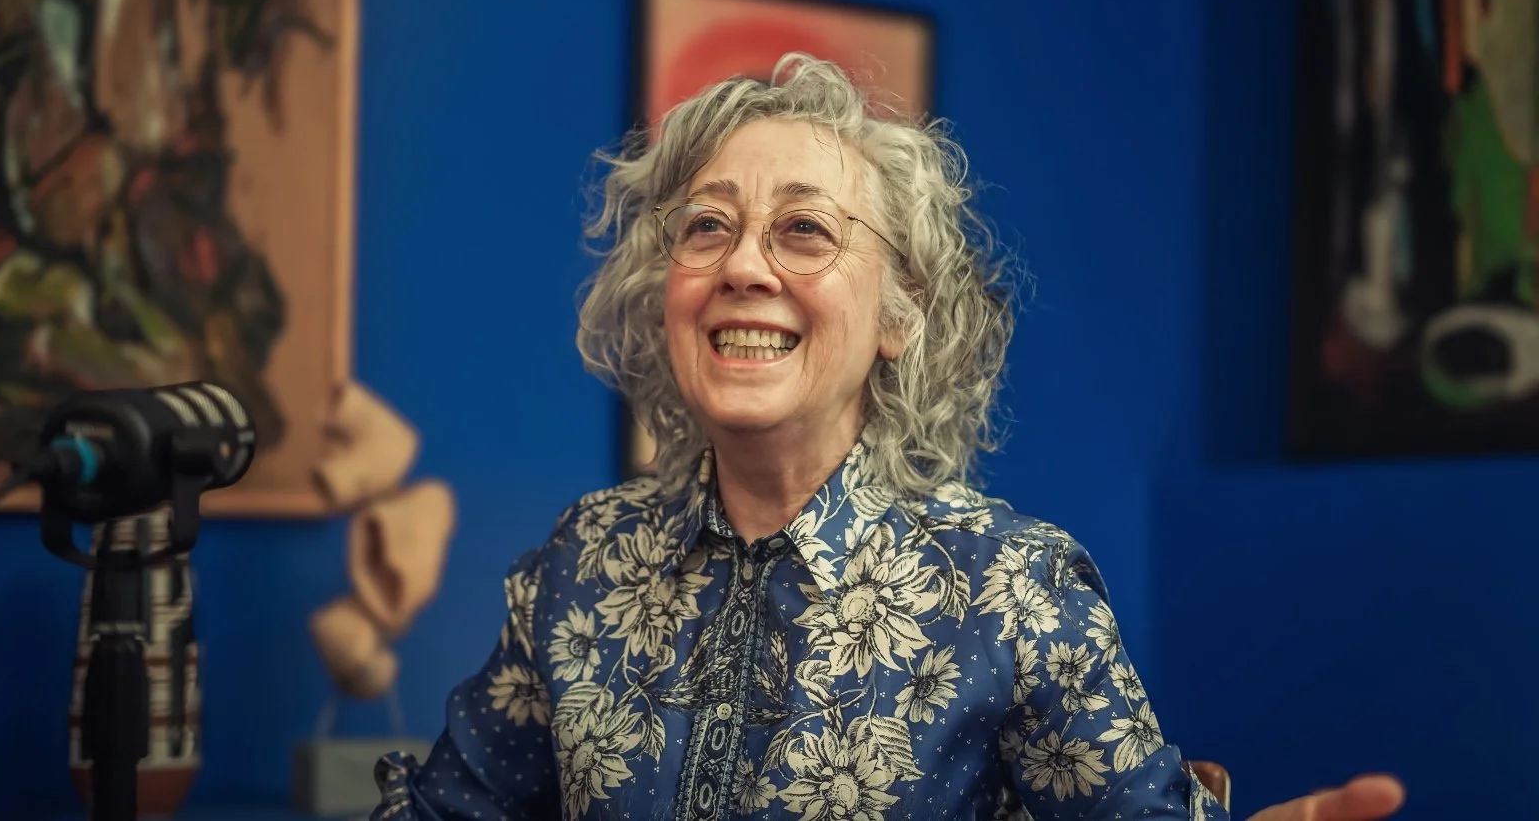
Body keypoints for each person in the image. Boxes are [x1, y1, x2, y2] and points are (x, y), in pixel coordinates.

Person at [371, 55, 1405, 820]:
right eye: (706, 226)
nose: (743, 266)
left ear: (900, 315)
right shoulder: (579, 564)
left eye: (805, 230)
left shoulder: (1014, 590)